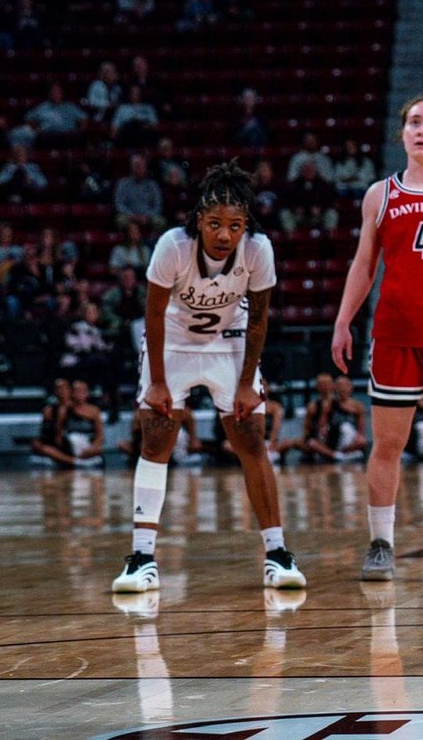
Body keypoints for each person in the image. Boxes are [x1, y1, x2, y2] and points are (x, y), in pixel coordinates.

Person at [112, 162, 304, 596]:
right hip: (174, 342)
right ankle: (142, 558)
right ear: (199, 219)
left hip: (231, 342)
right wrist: (158, 382)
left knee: (251, 440)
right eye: (215, 223)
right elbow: (154, 315)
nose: (223, 234)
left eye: (234, 225)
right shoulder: (172, 246)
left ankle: (277, 553)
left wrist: (245, 383)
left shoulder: (259, 250)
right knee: (157, 438)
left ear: (245, 227)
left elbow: (259, 321)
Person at [332, 95, 423, 583]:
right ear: (403, 133)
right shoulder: (380, 194)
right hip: (394, 333)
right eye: (415, 122)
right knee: (387, 442)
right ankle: (380, 543)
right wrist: (343, 320)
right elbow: (363, 264)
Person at [281, 374, 368, 461]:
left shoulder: (358, 406)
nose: (343, 389)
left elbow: (361, 429)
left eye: (345, 386)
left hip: (348, 438)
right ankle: (337, 455)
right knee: (308, 443)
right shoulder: (325, 405)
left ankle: (345, 453)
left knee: (361, 440)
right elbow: (319, 425)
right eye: (340, 386)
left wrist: (358, 437)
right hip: (331, 437)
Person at [30, 377, 75, 467]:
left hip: (72, 439)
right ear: (55, 391)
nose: (61, 391)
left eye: (63, 388)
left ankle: (68, 460)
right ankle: (72, 461)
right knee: (36, 443)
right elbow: (45, 432)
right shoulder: (49, 409)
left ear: (69, 390)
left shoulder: (77, 407)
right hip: (54, 440)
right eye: (58, 389)